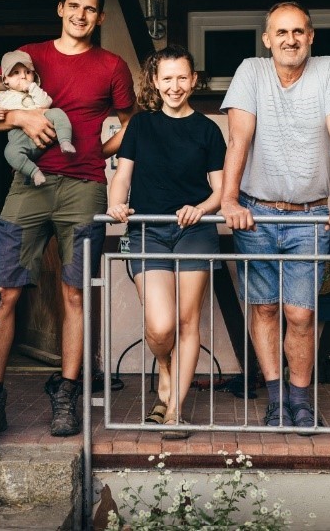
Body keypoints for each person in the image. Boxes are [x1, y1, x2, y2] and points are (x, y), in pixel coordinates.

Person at [0, 0, 136, 443]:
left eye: (90, 9)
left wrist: (99, 148)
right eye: (74, 6)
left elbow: (131, 123)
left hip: (85, 188)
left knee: (75, 294)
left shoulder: (112, 65)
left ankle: (66, 392)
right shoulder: (28, 56)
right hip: (27, 185)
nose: (81, 15)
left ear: (100, 17)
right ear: (60, 9)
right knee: (2, 293)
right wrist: (22, 117)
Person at [219, 1, 330, 433]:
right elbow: (238, 139)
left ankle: (301, 400)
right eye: (281, 32)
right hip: (256, 213)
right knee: (263, 310)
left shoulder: (329, 69)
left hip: (311, 217)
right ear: (267, 39)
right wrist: (229, 201)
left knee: (300, 314)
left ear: (311, 36)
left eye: (298, 31)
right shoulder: (251, 70)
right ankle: (277, 400)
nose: (290, 39)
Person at [106, 44, 226, 440]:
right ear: (155, 82)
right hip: (148, 231)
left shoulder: (208, 129)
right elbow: (122, 177)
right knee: (161, 327)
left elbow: (220, 193)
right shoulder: (140, 126)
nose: (175, 86)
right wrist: (116, 203)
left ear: (194, 81)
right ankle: (166, 366)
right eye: (167, 78)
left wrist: (201, 208)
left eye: (182, 78)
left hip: (194, 231)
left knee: (189, 321)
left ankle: (174, 410)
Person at [0, 50, 77, 187]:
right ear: (5, 79)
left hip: (45, 131)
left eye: (27, 72)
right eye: (16, 73)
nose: (23, 77)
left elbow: (45, 103)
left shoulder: (34, 91)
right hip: (20, 139)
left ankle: (65, 141)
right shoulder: (2, 97)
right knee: (10, 152)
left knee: (57, 112)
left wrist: (32, 88)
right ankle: (35, 173)